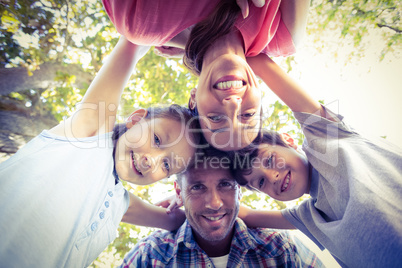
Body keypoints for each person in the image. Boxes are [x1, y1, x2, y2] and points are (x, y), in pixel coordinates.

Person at [0, 36, 200, 268]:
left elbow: (178, 220)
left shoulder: (119, 203)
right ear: (135, 120)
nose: (151, 161)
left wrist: (186, 196)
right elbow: (134, 41)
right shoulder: (90, 136)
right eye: (156, 139)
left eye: (167, 165)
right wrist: (188, 44)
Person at [230, 53, 402, 267]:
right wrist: (181, 196)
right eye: (261, 182)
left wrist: (207, 58)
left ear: (289, 140)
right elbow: (242, 213)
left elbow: (262, 65)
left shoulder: (325, 139)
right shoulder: (310, 218)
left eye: (270, 160)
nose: (272, 176)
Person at [102, 0, 310, 151]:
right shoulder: (284, 34)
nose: (233, 104)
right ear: (260, 96)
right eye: (247, 116)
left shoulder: (139, 21)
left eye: (216, 118)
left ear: (193, 99)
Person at [120, 156, 324, 267]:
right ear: (179, 193)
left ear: (239, 192)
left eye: (225, 184)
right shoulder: (150, 255)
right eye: (197, 187)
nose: (214, 203)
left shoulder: (280, 249)